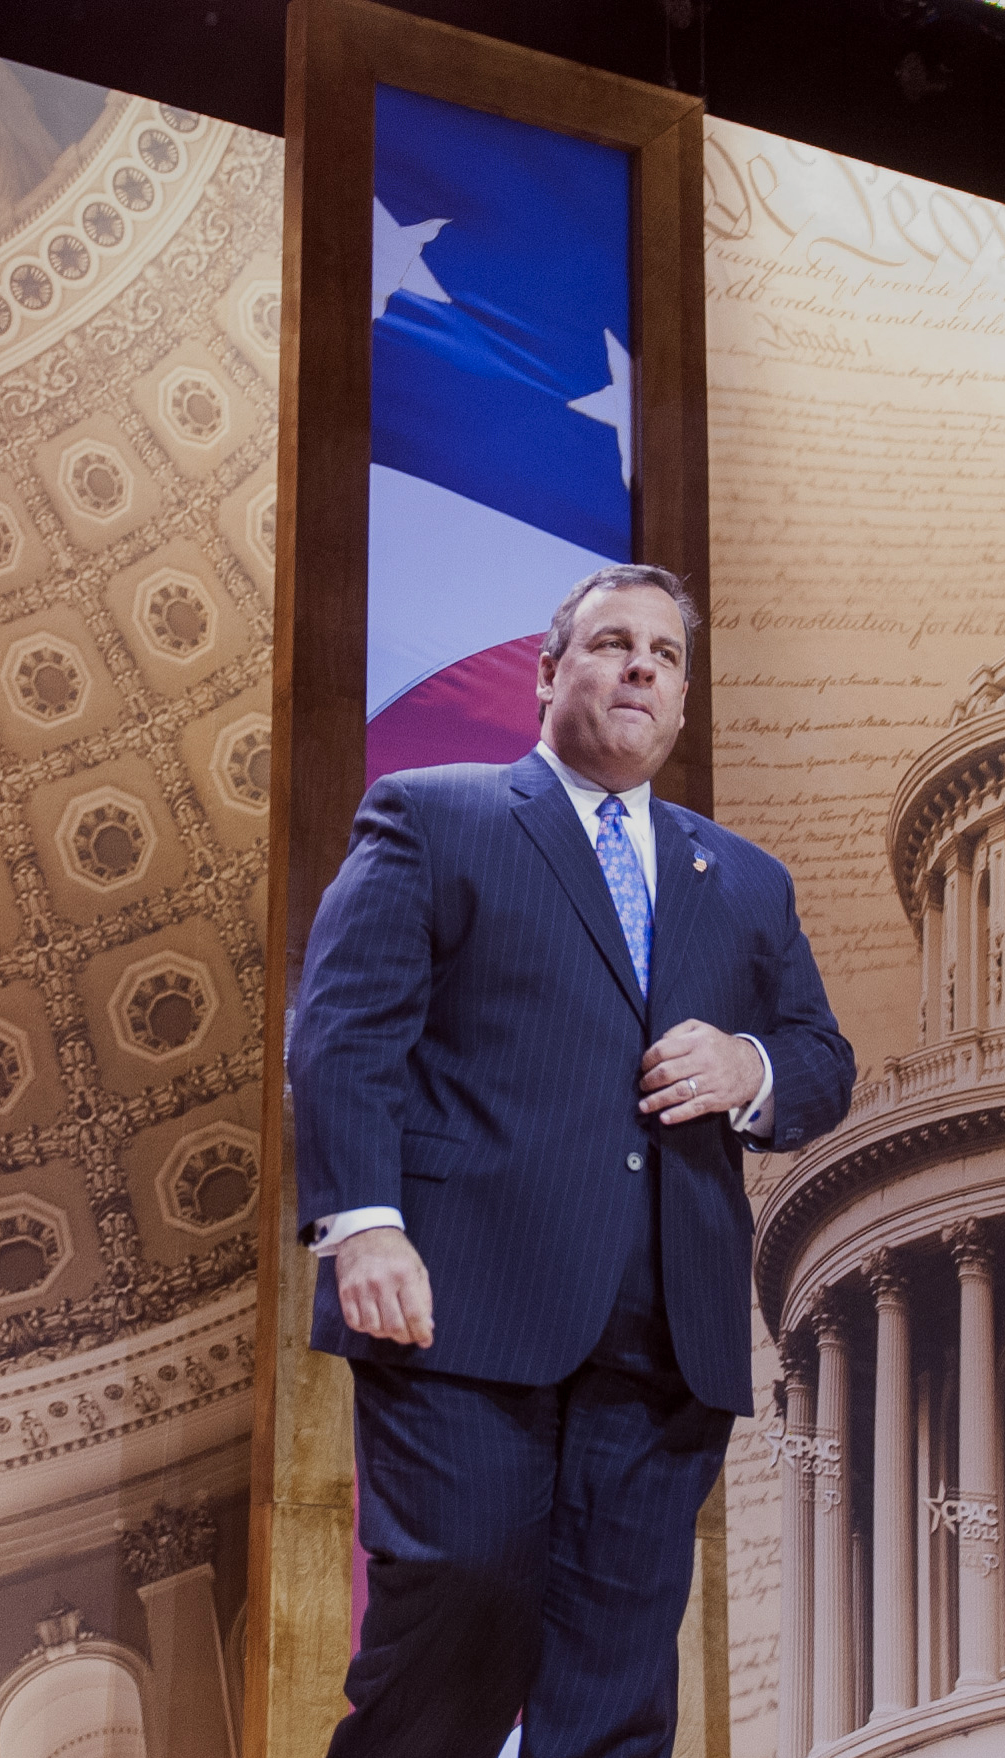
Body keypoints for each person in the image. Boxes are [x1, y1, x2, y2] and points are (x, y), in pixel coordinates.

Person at [291, 563, 854, 1758]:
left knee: (616, 1683)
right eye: (610, 643)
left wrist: (748, 1068)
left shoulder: (746, 880)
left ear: (684, 699)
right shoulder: (432, 814)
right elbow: (344, 1034)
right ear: (549, 675)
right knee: (462, 1606)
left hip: (664, 1335)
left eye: (664, 652)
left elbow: (820, 1059)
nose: (640, 665)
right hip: (462, 1308)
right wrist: (363, 1225)